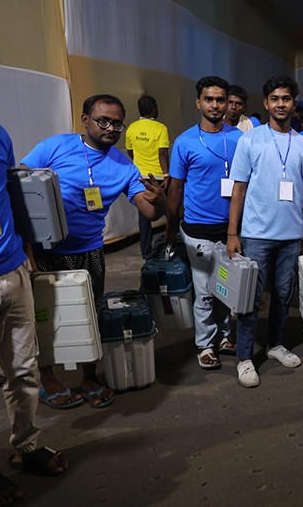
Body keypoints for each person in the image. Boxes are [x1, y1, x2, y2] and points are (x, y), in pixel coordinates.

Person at [22, 94, 165, 409]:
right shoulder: (55, 146)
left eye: (117, 123)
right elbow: (20, 179)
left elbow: (150, 213)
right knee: (45, 317)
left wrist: (160, 200)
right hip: (45, 250)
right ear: (85, 120)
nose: (111, 128)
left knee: (91, 315)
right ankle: (47, 378)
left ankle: (88, 376)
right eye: (104, 121)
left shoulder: (124, 166)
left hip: (90, 252)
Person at [0, 32, 68, 505]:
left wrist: (27, 247)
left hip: (11, 269)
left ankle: (25, 446)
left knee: (23, 369)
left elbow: (9, 194)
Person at [227, 75, 303, 387]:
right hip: (256, 234)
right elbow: (238, 189)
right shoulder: (249, 140)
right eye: (274, 99)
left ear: (294, 104)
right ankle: (245, 357)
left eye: (286, 99)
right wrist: (232, 233)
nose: (280, 104)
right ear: (266, 104)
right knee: (250, 299)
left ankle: (276, 345)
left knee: (282, 294)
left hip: (291, 235)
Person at [165, 76, 243, 370]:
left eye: (220, 100)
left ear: (227, 103)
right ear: (198, 102)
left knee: (226, 287)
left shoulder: (238, 139)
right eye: (208, 99)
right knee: (205, 291)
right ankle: (205, 344)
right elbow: (176, 188)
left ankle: (224, 337)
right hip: (197, 229)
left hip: (231, 229)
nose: (215, 105)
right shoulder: (185, 141)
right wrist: (171, 228)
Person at [125, 94, 170, 257]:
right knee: (169, 210)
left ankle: (145, 251)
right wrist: (166, 174)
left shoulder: (131, 128)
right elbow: (162, 153)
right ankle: (173, 242)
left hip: (140, 177)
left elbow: (130, 151)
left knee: (144, 215)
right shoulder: (160, 128)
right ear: (154, 109)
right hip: (158, 176)